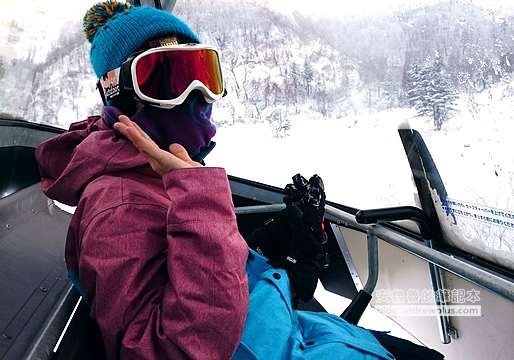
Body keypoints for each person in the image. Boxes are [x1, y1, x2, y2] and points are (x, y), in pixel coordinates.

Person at [36, 1, 443, 360]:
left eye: (203, 74)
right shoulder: (119, 208)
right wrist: (202, 203)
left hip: (290, 332)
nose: (197, 96)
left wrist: (275, 262)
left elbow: (198, 280)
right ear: (121, 94)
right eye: (169, 80)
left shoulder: (156, 177)